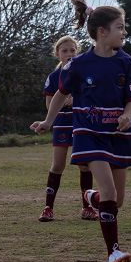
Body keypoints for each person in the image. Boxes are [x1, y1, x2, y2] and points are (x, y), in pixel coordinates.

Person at [31, 0, 131, 262]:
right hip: (88, 132)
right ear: (102, 32)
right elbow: (61, 93)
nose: (124, 32)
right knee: (109, 192)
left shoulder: (126, 62)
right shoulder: (78, 65)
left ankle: (92, 198)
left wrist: (127, 115)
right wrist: (48, 121)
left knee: (116, 201)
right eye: (120, 27)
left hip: (118, 134)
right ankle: (113, 253)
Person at [37, 35, 98, 223]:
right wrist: (65, 102)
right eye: (65, 50)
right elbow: (50, 105)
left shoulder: (84, 74)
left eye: (73, 50)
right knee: (58, 165)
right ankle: (48, 208)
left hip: (81, 124)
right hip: (62, 124)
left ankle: (87, 207)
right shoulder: (55, 77)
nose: (69, 54)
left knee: (84, 165)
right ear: (57, 54)